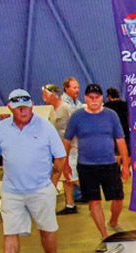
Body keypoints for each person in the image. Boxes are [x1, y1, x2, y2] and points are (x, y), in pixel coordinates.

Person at [0, 89, 67, 253]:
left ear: (32, 106)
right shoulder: (2, 128)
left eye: (26, 107)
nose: (23, 111)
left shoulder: (45, 127)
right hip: (12, 190)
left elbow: (60, 157)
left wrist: (52, 183)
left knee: (48, 229)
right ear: (10, 107)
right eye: (18, 107)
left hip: (40, 189)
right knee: (10, 231)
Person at [64, 83, 130, 248]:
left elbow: (120, 140)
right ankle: (104, 236)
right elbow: (66, 141)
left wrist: (125, 164)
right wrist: (64, 163)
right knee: (94, 202)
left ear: (102, 98)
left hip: (109, 164)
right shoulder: (77, 117)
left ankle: (113, 221)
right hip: (86, 166)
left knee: (118, 198)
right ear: (85, 98)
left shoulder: (111, 115)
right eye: (90, 97)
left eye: (97, 97)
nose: (94, 100)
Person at [41, 84, 77, 214]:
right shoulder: (53, 110)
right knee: (65, 178)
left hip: (70, 149)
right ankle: (70, 204)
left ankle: (94, 195)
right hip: (58, 149)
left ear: (52, 94)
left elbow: (73, 129)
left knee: (70, 177)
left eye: (45, 94)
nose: (43, 97)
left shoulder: (65, 109)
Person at [60, 77, 83, 206]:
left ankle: (71, 203)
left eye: (78, 87)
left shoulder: (77, 103)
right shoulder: (64, 105)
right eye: (74, 88)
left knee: (69, 175)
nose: (77, 90)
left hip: (77, 143)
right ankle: (87, 192)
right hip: (67, 144)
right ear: (66, 89)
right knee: (69, 174)